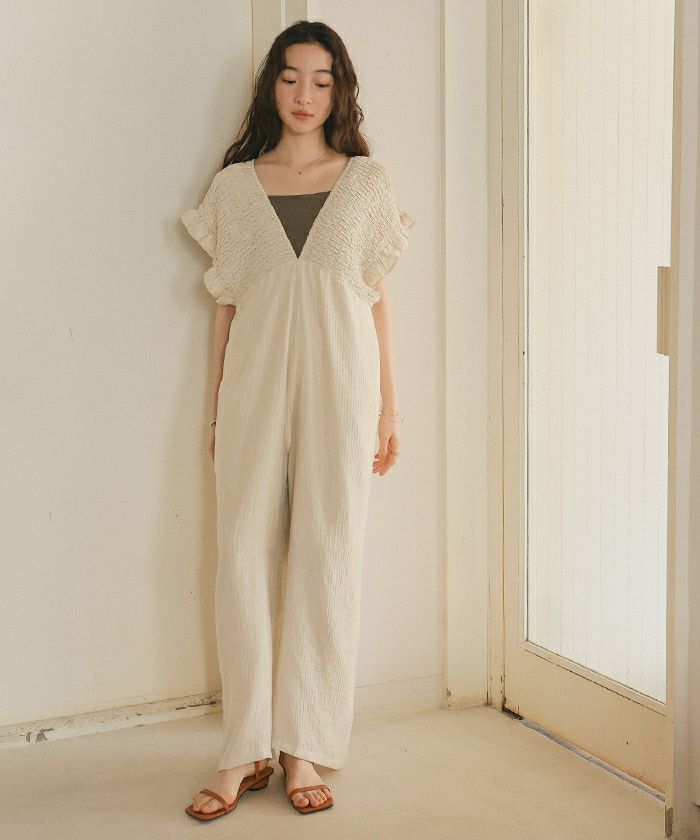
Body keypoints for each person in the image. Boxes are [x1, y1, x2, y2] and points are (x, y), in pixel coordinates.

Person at [180, 18, 414, 821]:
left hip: (344, 389)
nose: (304, 94)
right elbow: (225, 306)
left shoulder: (367, 183)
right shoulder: (236, 187)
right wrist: (217, 409)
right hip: (252, 389)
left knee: (328, 554)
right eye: (289, 77)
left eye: (321, 79)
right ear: (270, 87)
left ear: (339, 89)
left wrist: (390, 408)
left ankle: (302, 745)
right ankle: (243, 748)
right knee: (241, 556)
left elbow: (376, 298)